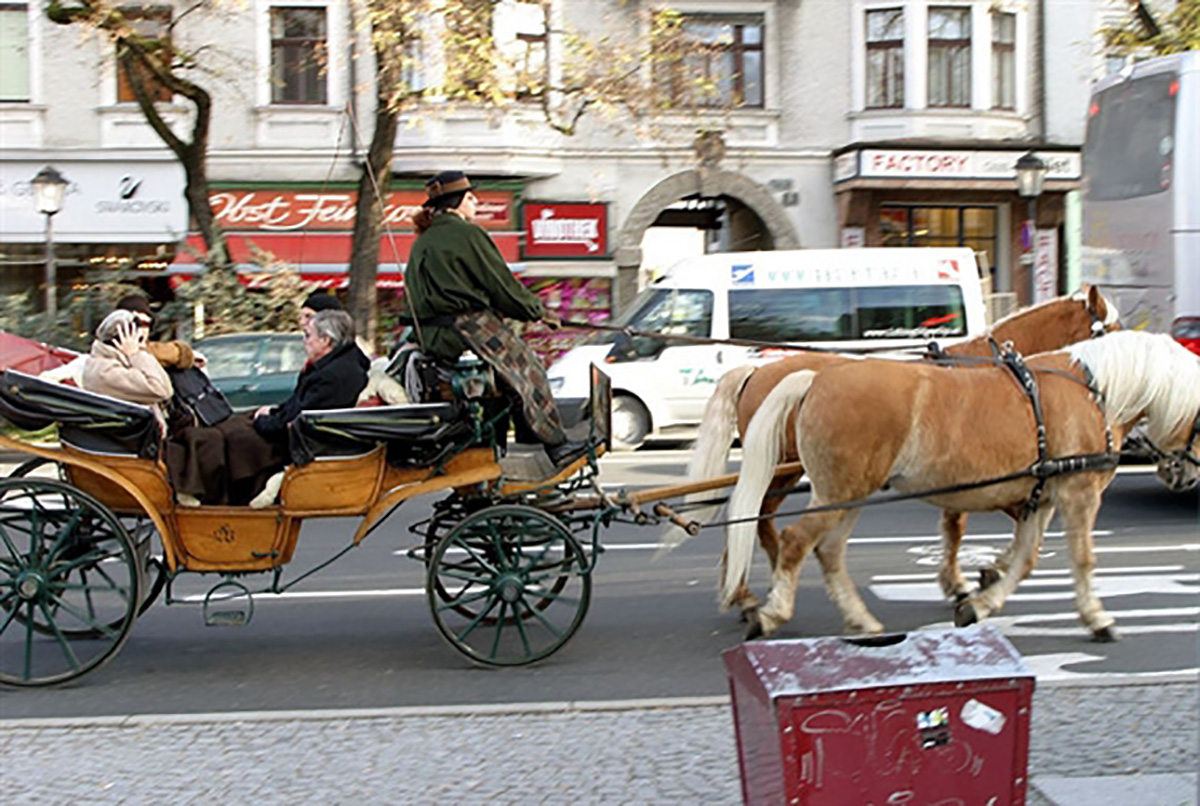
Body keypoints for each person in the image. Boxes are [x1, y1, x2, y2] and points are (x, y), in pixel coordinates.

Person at [403, 170, 587, 467]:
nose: (476, 202)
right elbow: (502, 285)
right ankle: (556, 445)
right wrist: (538, 313)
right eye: (471, 197)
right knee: (530, 370)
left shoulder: (423, 241)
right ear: (458, 201)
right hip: (465, 328)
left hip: (433, 334)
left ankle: (506, 444)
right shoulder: (466, 234)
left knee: (505, 383)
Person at [217, 309, 369, 506]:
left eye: (308, 336)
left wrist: (264, 421)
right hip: (299, 431)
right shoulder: (332, 367)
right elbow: (297, 407)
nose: (304, 341)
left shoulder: (333, 375)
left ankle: (227, 499)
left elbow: (297, 418)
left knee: (233, 438)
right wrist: (271, 412)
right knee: (232, 425)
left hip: (303, 442)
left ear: (325, 340)